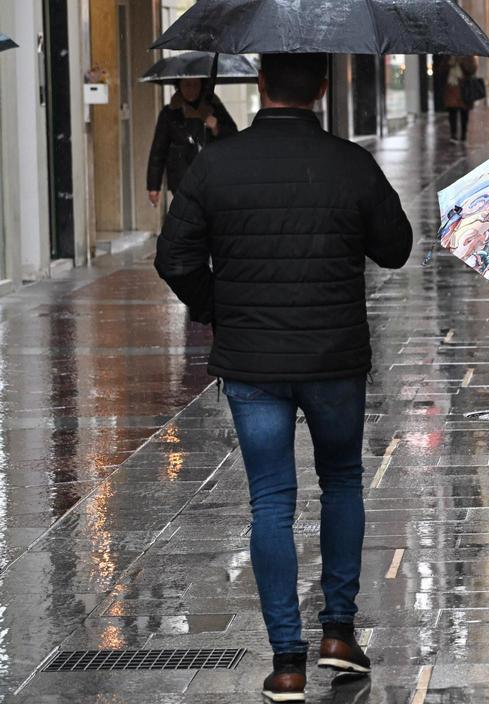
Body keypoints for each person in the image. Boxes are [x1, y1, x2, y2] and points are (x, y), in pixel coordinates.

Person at [154, 52, 413, 702]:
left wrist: (219, 309)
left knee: (271, 500)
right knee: (342, 480)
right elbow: (397, 247)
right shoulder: (350, 162)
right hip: (333, 360)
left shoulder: (217, 163)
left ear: (261, 84)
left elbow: (174, 257)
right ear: (322, 89)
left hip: (252, 364)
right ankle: (338, 633)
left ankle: (286, 662)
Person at [146, 77, 237, 206]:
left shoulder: (214, 108)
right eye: (187, 85)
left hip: (210, 178)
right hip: (180, 178)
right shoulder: (169, 113)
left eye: (195, 85)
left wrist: (217, 127)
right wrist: (153, 185)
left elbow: (233, 135)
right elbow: (158, 150)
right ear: (179, 86)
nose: (191, 89)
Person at [444, 55, 479, 143]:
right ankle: (453, 135)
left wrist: (462, 62)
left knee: (464, 113)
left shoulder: (468, 55)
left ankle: (463, 135)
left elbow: (473, 69)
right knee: (452, 112)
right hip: (451, 87)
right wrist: (449, 64)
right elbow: (440, 71)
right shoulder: (447, 56)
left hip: (464, 88)